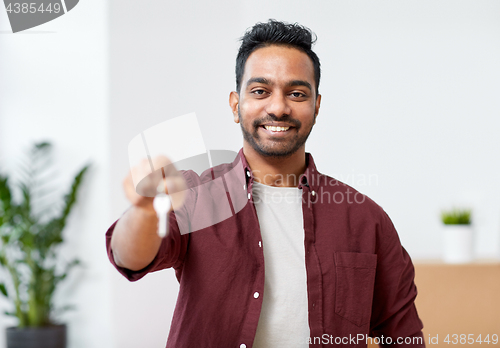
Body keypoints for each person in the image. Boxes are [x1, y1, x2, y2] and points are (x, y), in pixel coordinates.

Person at [106, 20, 425, 348]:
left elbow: (402, 335)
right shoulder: (196, 196)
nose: (277, 107)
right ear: (235, 104)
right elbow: (128, 257)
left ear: (316, 106)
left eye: (297, 93)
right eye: (260, 91)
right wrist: (144, 210)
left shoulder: (364, 219)